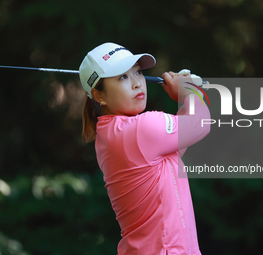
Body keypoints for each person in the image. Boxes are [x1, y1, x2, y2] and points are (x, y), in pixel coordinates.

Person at [79, 42, 210, 255]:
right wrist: (190, 92)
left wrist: (188, 97)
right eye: (122, 77)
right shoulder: (141, 129)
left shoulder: (111, 133)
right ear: (99, 95)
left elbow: (176, 147)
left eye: (138, 72)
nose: (137, 83)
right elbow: (200, 124)